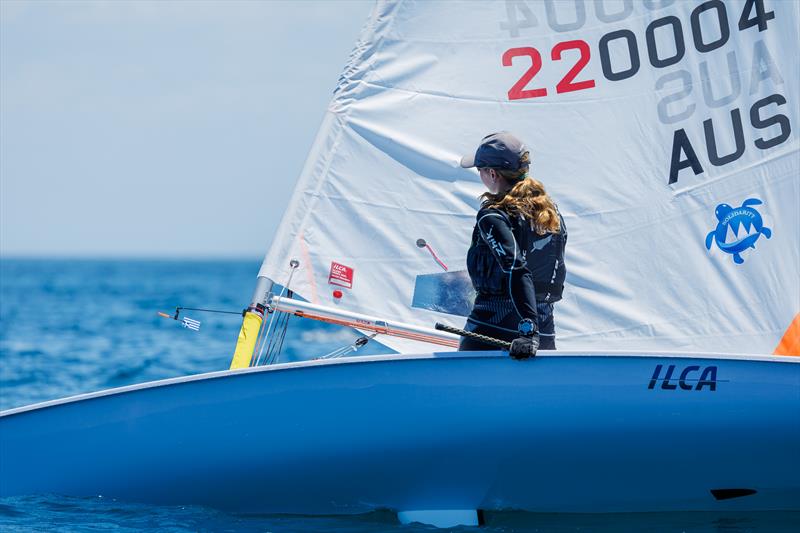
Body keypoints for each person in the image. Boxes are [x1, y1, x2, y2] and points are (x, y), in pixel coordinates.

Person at [459, 132, 567, 358]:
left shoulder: (493, 215)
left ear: (492, 173)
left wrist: (528, 329)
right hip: (544, 334)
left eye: (479, 170)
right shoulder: (551, 212)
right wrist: (535, 332)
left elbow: (516, 269)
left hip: (495, 330)